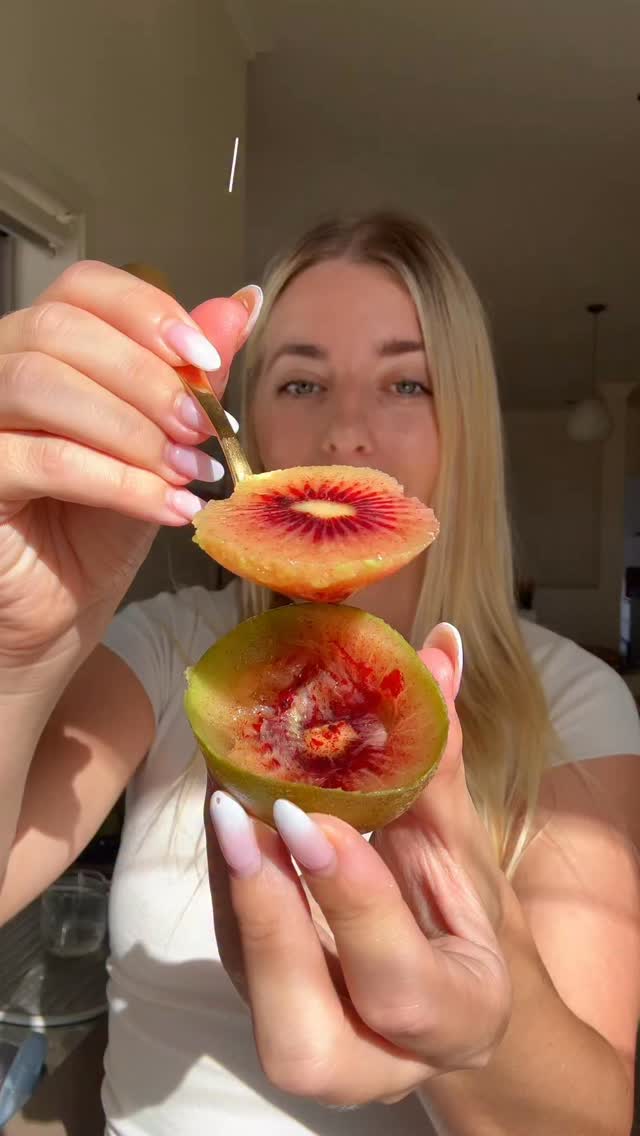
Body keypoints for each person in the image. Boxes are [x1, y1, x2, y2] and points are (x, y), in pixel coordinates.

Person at [0, 212, 639, 1136]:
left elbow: (594, 1116)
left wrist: (473, 1033)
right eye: (301, 380)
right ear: (245, 420)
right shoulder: (173, 647)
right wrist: (19, 655)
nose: (346, 431)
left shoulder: (577, 702)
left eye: (407, 382)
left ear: (468, 429)